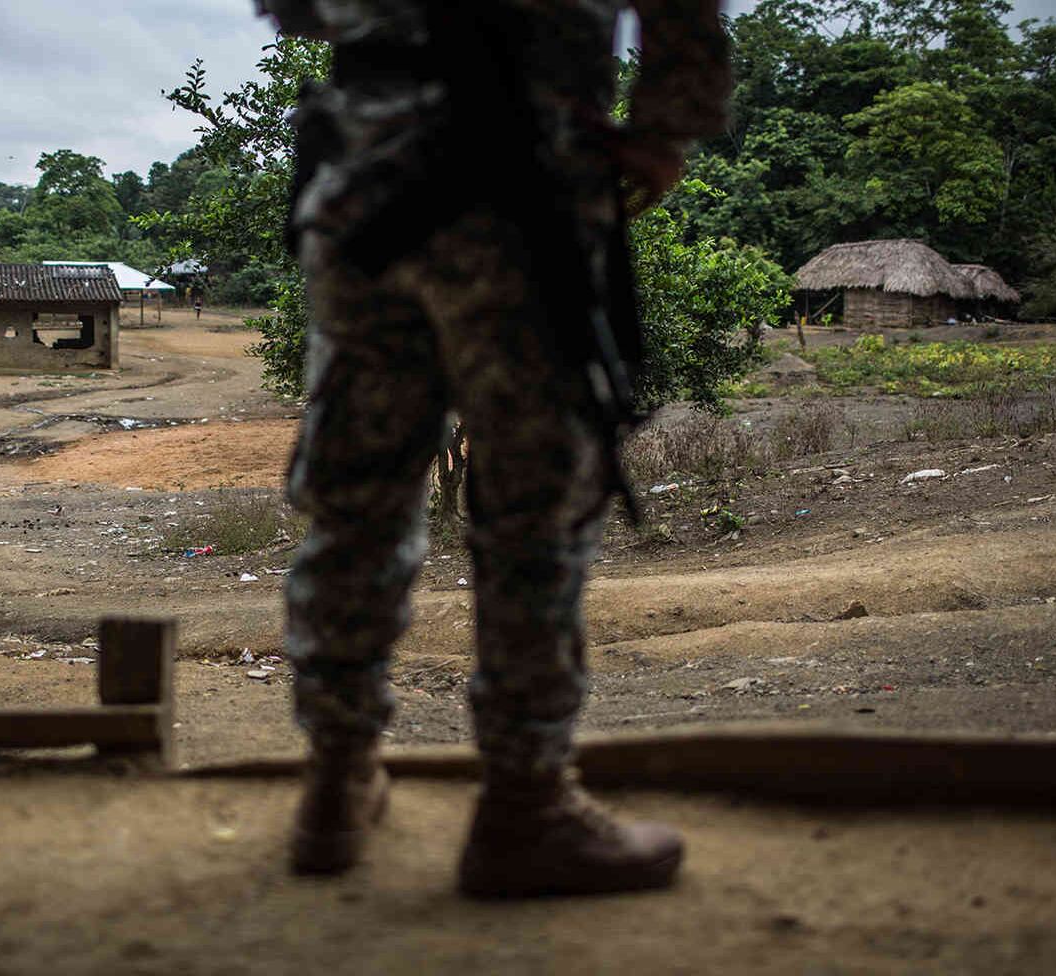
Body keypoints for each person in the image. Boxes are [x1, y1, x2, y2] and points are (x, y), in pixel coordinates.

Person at [258, 0, 730, 897]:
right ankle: (525, 806)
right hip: (519, 175)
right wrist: (666, 127)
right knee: (532, 507)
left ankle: (335, 783)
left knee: (357, 492)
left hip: (360, 173)